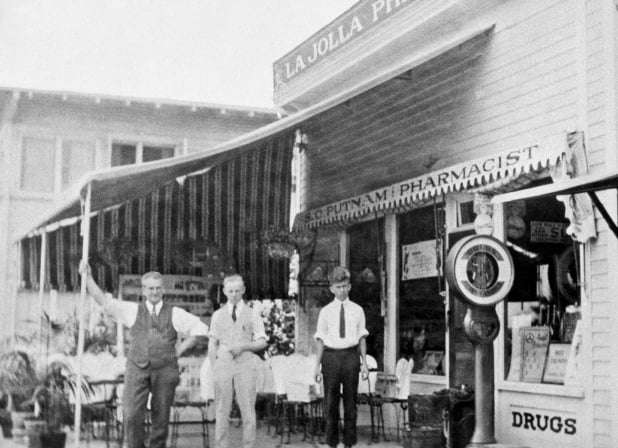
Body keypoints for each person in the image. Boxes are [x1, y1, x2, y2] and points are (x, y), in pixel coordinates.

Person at [79, 262, 208, 448]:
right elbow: (104, 301)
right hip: (137, 369)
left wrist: (179, 350)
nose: (154, 292)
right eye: (150, 288)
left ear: (163, 290)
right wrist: (88, 277)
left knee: (161, 419)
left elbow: (201, 329)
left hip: (165, 370)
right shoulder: (132, 310)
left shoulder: (175, 313)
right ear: (144, 291)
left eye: (157, 288)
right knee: (130, 415)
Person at [207, 273, 267, 448]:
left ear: (243, 290)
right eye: (230, 291)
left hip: (245, 365)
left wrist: (244, 347)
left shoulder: (252, 313)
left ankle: (248, 445)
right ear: (225, 291)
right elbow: (212, 343)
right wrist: (214, 366)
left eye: (237, 291)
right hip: (223, 366)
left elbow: (262, 341)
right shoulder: (217, 315)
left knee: (248, 410)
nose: (234, 294)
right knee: (222, 410)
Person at [314, 266, 369, 448]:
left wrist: (364, 364)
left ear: (350, 286)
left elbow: (361, 338)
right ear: (332, 289)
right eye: (338, 287)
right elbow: (320, 340)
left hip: (351, 356)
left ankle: (349, 443)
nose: (342, 290)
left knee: (350, 402)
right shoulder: (326, 312)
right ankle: (331, 442)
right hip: (330, 357)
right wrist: (317, 367)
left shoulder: (357, 310)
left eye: (345, 286)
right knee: (331, 403)